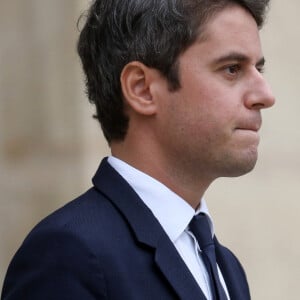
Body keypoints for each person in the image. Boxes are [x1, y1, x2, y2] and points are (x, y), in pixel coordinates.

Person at [1, 0, 275, 299]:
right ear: (142, 88)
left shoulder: (226, 267)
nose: (265, 95)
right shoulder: (67, 256)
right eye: (232, 69)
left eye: (258, 68)